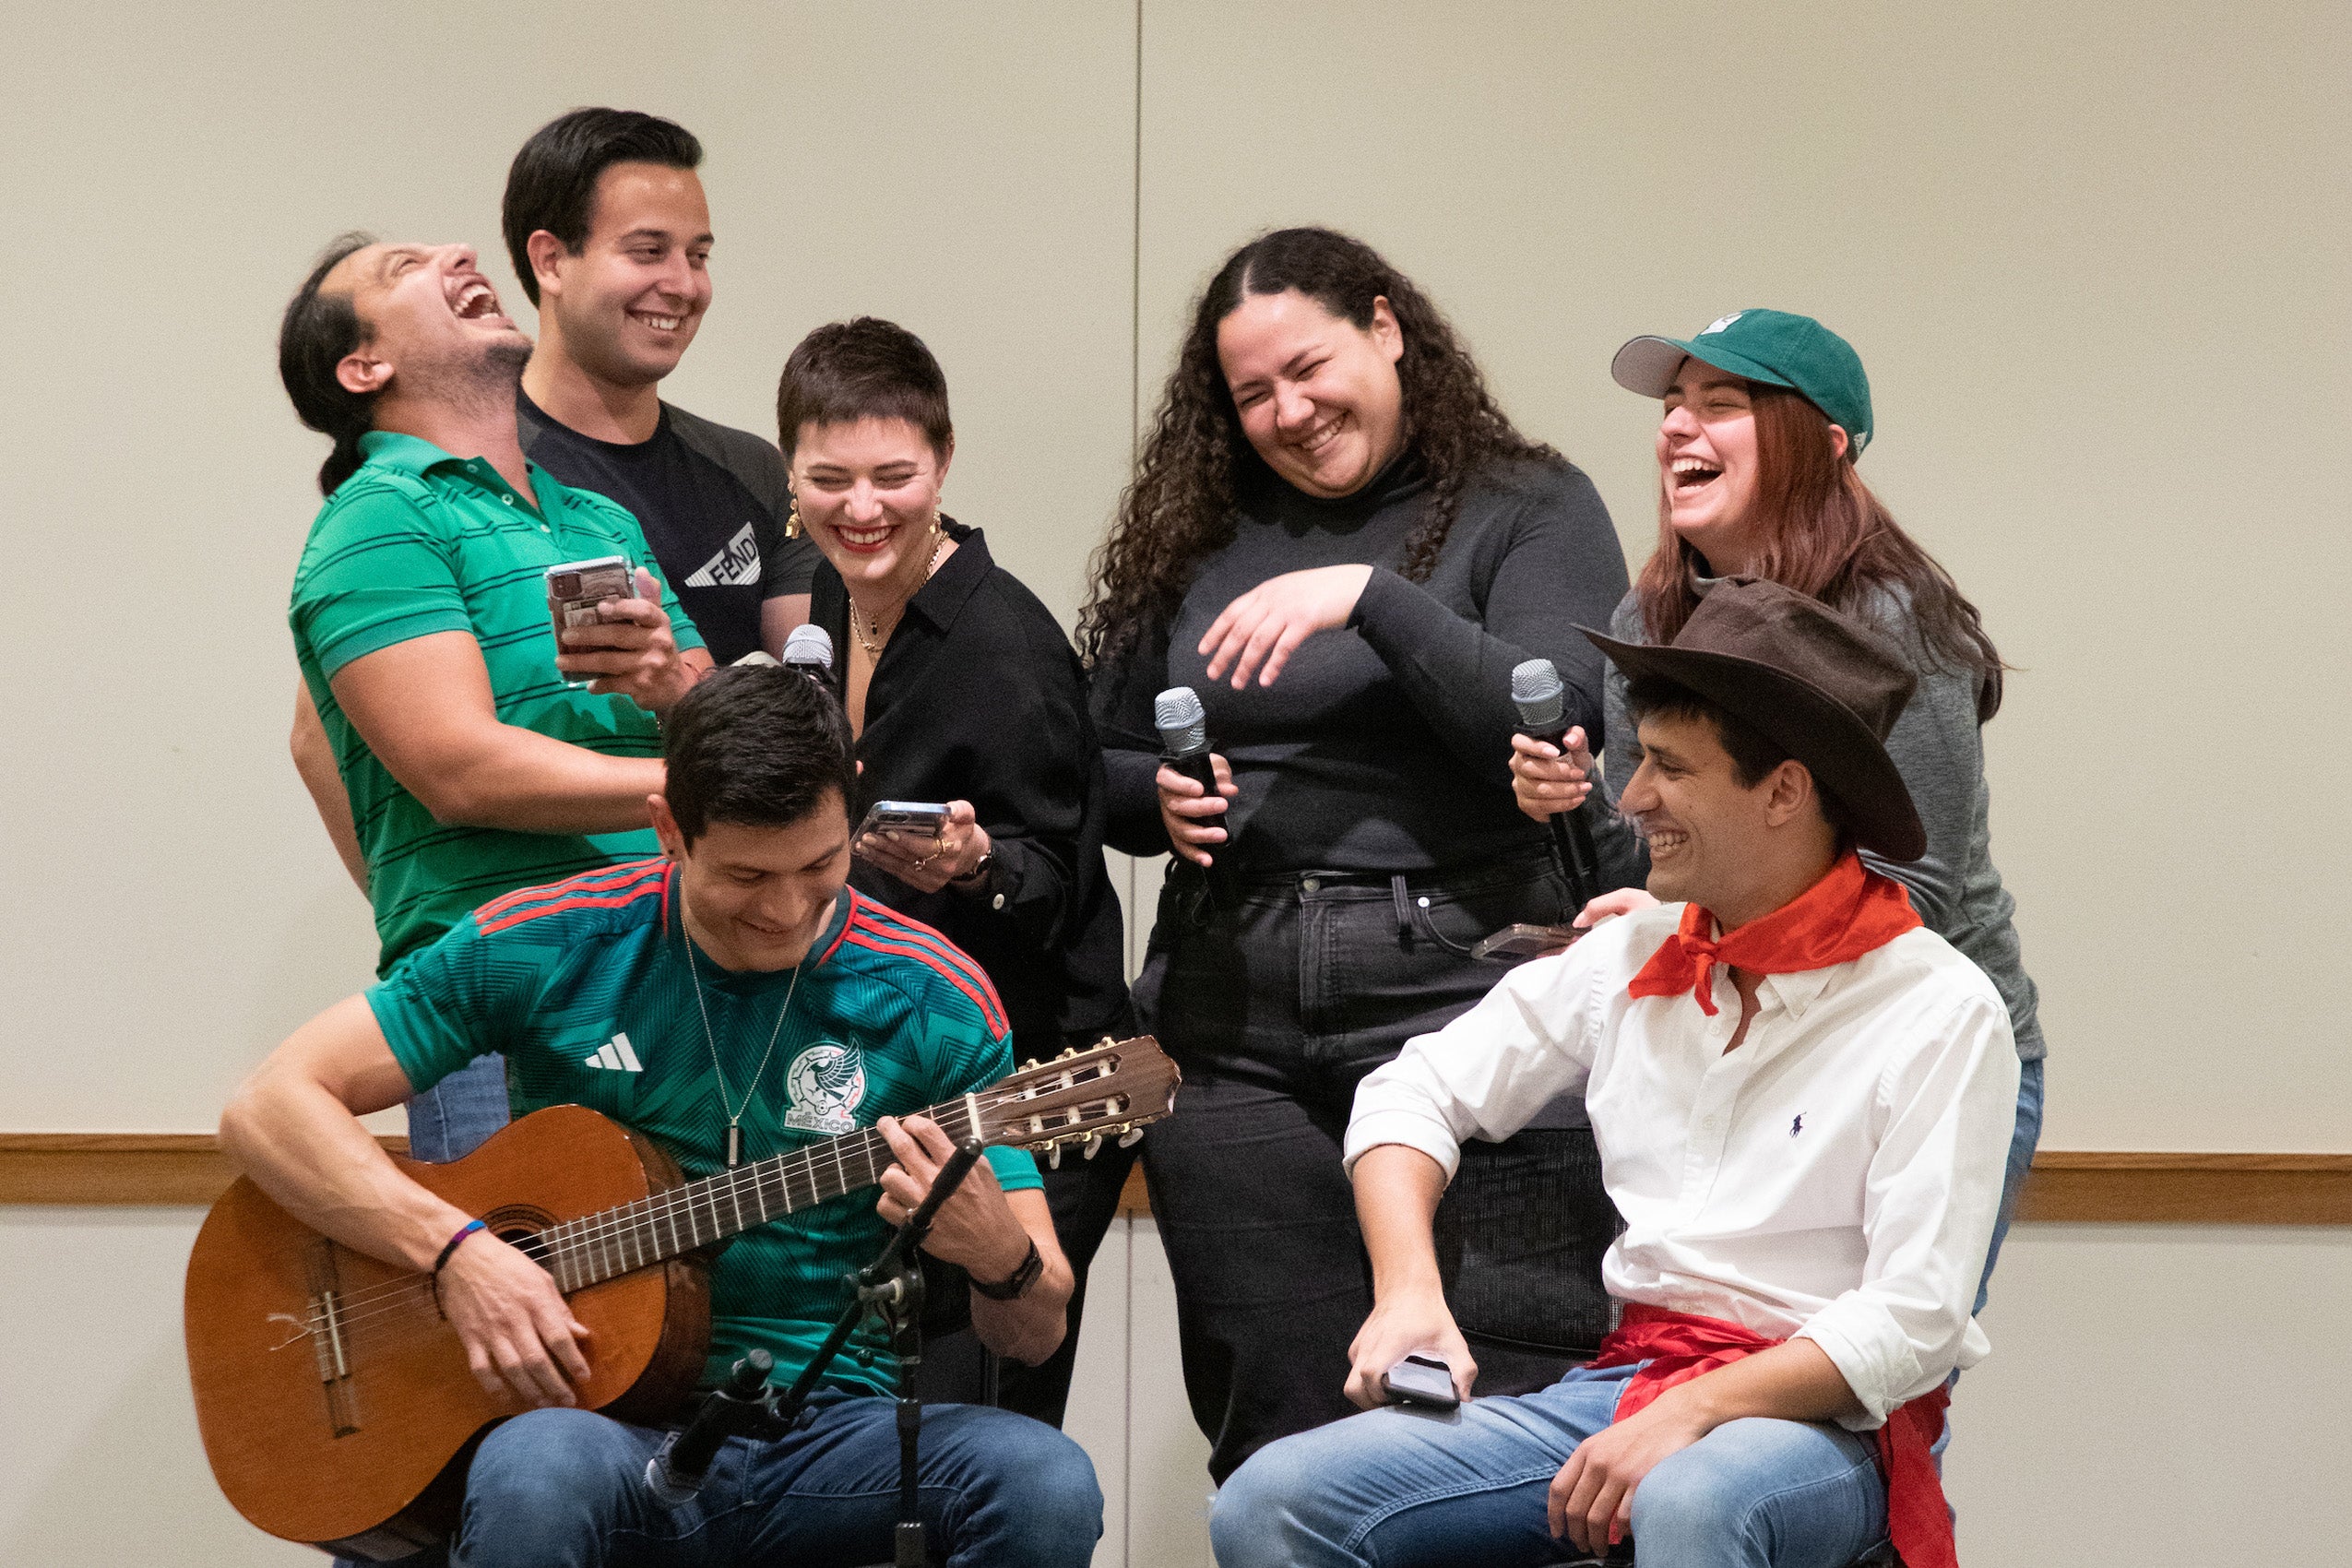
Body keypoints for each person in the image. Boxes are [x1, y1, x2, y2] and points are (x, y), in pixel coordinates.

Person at [1212, 578, 2019, 1568]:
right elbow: (1410, 1090)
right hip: (1629, 1381)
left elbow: (1915, 1322)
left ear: (1785, 791)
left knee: (1691, 1497)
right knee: (1272, 1502)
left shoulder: (1938, 1006)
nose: (1631, 798)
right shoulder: (1630, 952)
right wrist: (1409, 1292)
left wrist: (1699, 1408)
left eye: (1670, 769)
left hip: (1825, 1426)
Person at [219, 666, 1102, 1568]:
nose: (787, 908)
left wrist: (1003, 1255)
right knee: (532, 1473)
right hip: (604, 1430)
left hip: (834, 1434)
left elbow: (1032, 1329)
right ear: (669, 829)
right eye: (748, 873)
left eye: (820, 865)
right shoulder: (551, 941)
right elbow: (267, 1105)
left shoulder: (935, 995)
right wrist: (457, 1251)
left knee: (1045, 1480)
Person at [1081, 226, 1630, 1480]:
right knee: (1274, 1421)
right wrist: (1156, 796)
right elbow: (1089, 765)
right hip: (1232, 1021)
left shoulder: (1525, 504)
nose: (1288, 411)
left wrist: (1369, 599)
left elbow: (1550, 719)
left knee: (1487, 1421)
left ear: (1386, 329)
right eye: (1251, 394)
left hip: (1466, 993)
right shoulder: (1200, 527)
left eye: (1308, 367)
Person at [1509, 308, 2043, 1311]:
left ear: (1825, 446)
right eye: (1672, 405)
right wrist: (1582, 809)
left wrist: (1677, 924)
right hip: (1735, 1051)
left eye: (1722, 404)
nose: (1676, 426)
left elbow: (1913, 885)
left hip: (1912, 1063)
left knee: (1870, 1397)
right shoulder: (1651, 618)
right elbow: (1663, 858)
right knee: (1697, 1382)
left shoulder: (1897, 621)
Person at [279, 233, 712, 1156]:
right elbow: (459, 769)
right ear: (365, 366)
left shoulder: (597, 515)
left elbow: (714, 720)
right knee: (539, 1286)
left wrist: (670, 684)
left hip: (673, 973)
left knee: (676, 1297)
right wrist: (691, 792)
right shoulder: (378, 514)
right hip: (503, 996)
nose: (461, 252)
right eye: (406, 268)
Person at [778, 316, 1130, 1427]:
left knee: (986, 1428)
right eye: (829, 478)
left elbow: (1055, 883)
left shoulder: (1008, 644)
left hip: (1040, 1087)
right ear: (790, 472)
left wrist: (975, 862)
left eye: (895, 476)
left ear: (944, 462)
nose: (862, 508)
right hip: (904, 1078)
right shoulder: (832, 600)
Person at [505, 107, 819, 665]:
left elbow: (809, 698)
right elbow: (327, 743)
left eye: (698, 256)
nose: (682, 285)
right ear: (551, 261)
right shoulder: (467, 476)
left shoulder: (752, 469)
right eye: (648, 252)